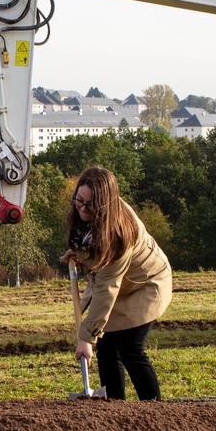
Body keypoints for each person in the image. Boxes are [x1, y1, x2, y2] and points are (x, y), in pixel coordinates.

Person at [60, 166, 172, 401]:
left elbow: (106, 287)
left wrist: (86, 338)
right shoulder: (88, 213)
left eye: (90, 205)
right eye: (79, 200)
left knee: (130, 348)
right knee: (107, 347)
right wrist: (81, 253)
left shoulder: (120, 234)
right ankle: (114, 409)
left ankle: (155, 410)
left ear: (104, 205)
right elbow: (96, 249)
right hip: (121, 284)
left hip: (146, 284)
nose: (82, 207)